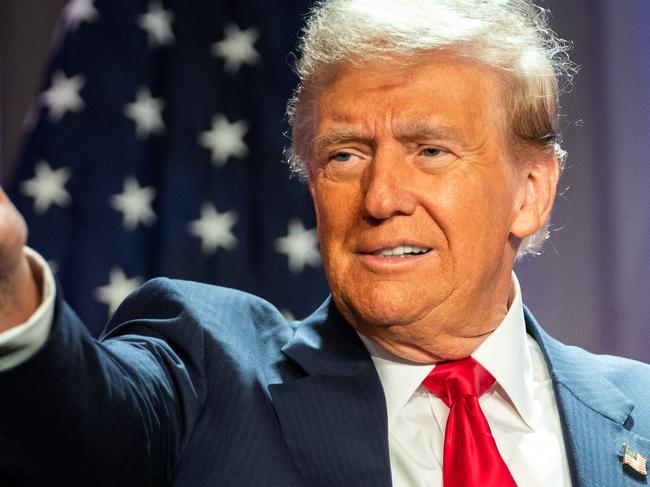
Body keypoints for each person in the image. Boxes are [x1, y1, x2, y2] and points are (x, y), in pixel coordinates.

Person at [1, 0, 649, 485]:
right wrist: (9, 295)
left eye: (429, 150)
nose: (379, 197)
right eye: (344, 154)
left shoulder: (639, 413)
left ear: (530, 191)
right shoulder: (210, 374)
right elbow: (83, 430)